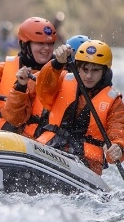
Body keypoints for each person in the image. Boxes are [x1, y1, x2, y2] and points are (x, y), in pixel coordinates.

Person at [35, 39, 124, 175]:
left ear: (104, 71)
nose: (89, 75)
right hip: (50, 148)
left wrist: (118, 146)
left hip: (86, 163)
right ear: (78, 68)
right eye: (85, 69)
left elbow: (117, 131)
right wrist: (57, 63)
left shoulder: (114, 101)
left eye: (95, 70)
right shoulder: (62, 80)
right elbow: (43, 88)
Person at [0, 16, 56, 133]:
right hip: (9, 135)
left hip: (44, 141)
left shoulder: (61, 72)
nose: (46, 49)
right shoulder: (2, 69)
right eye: (40, 43)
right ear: (25, 45)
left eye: (50, 44)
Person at [1, 34, 91, 139]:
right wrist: (21, 87)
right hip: (35, 140)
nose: (88, 75)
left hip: (62, 146)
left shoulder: (96, 92)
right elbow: (13, 117)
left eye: (93, 68)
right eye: (83, 66)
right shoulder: (43, 77)